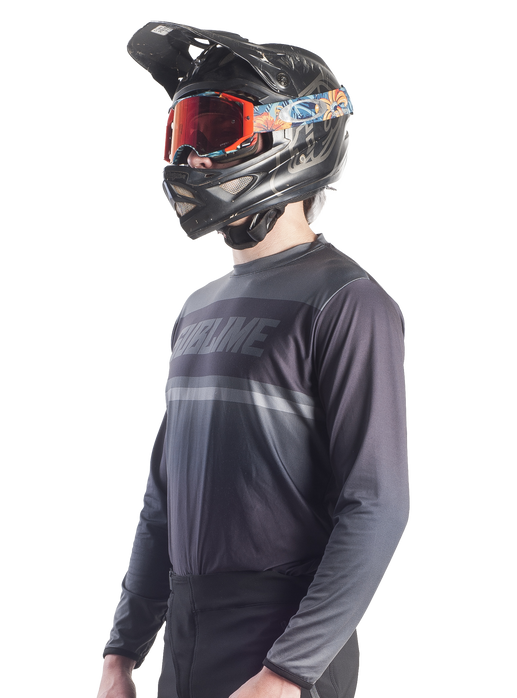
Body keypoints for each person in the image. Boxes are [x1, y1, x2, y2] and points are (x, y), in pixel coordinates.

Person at [97, 19, 411, 698]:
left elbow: (376, 505)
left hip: (281, 647)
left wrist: (288, 671)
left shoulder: (347, 301)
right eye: (182, 134)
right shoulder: (196, 308)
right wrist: (121, 650)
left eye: (216, 131)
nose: (192, 158)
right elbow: (162, 500)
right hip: (187, 639)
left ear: (294, 138)